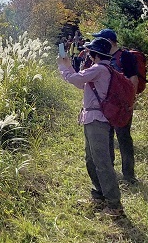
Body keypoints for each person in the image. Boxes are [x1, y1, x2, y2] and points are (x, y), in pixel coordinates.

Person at [57, 37, 125, 217]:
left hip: (97, 120)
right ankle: (99, 196)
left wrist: (63, 66)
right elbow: (80, 82)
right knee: (92, 159)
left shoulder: (99, 69)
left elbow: (73, 78)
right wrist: (68, 65)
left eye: (89, 52)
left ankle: (114, 205)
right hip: (92, 119)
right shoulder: (101, 69)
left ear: (95, 54)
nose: (87, 54)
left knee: (101, 162)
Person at [92, 28, 139, 185]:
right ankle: (110, 170)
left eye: (101, 39)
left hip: (122, 106)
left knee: (124, 138)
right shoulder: (103, 57)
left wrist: (130, 102)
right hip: (106, 106)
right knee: (108, 138)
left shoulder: (126, 56)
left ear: (110, 41)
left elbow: (133, 79)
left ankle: (129, 175)